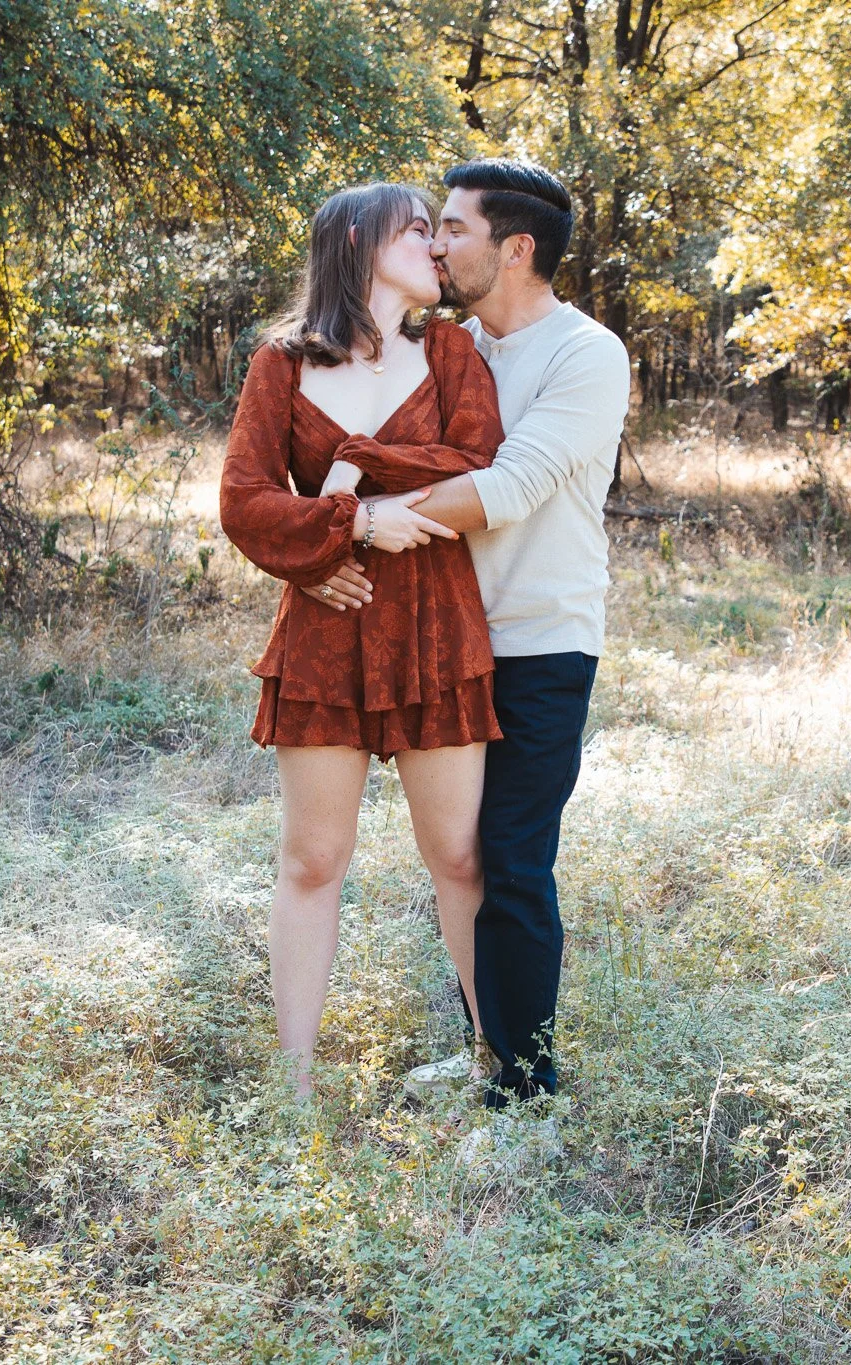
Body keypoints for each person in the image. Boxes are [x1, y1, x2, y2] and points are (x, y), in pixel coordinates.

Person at [306, 161, 632, 1113]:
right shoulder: (449, 348)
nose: (436, 242)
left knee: (514, 859)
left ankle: (525, 1093)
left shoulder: (585, 352)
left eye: (452, 227)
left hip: (538, 641)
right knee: (459, 857)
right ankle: (490, 1045)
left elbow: (507, 488)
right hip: (441, 638)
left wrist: (351, 516)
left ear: (515, 247)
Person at [219, 182, 505, 1099]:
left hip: (435, 628)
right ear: (356, 239)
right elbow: (244, 500)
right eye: (417, 229)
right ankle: (293, 1090)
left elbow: (480, 460)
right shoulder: (282, 364)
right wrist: (352, 529)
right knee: (312, 858)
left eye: (437, 229)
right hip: (327, 626)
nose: (435, 245)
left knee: (458, 856)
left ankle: (493, 1062)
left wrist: (357, 483)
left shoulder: (452, 351)